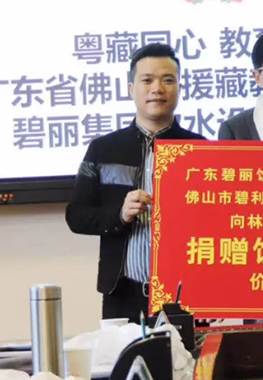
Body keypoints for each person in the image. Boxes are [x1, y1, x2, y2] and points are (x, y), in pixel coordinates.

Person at [65, 43, 206, 322]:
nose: (158, 89)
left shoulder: (200, 149)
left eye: (168, 80)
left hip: (184, 295)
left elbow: (215, 221)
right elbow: (76, 216)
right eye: (147, 80)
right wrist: (119, 214)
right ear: (132, 89)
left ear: (179, 87)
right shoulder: (103, 149)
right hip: (122, 295)